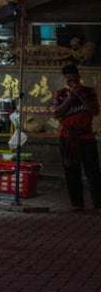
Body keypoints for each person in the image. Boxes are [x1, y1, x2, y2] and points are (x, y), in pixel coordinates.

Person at [52, 63, 101, 211]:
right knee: (71, 170)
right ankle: (77, 204)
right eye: (69, 82)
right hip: (67, 136)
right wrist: (70, 99)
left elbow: (95, 111)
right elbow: (57, 113)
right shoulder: (60, 94)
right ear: (65, 81)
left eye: (75, 80)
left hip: (86, 136)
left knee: (93, 171)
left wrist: (80, 96)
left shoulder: (89, 91)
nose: (73, 84)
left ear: (79, 78)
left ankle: (98, 204)